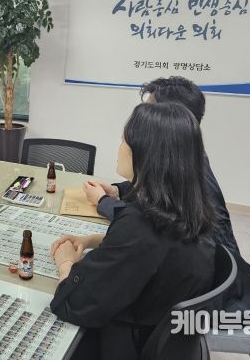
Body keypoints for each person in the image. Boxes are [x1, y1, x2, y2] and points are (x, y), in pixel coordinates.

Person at [50, 102, 216, 359]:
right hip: (163, 333)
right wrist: (93, 240)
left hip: (128, 342)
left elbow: (75, 304)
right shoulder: (188, 205)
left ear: (144, 153)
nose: (119, 147)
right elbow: (153, 252)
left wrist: (65, 263)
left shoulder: (140, 225)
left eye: (123, 140)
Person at [85, 76, 250, 311]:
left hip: (210, 295)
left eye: (150, 111)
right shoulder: (186, 160)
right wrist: (118, 190)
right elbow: (156, 194)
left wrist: (104, 202)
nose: (143, 118)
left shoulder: (195, 178)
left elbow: (151, 229)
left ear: (170, 119)